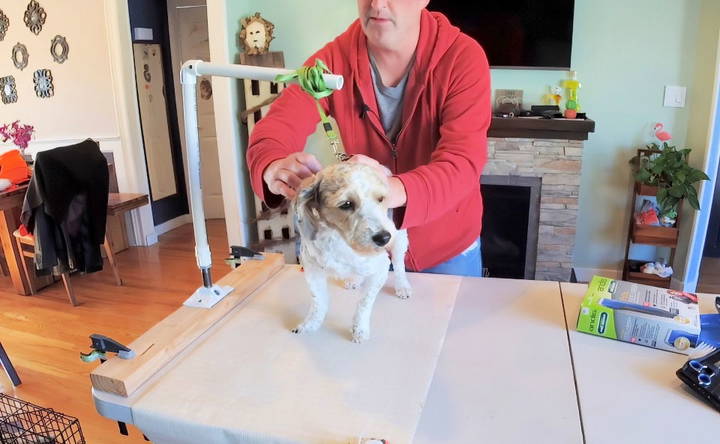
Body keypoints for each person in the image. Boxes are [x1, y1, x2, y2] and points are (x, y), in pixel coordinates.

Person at [247, 0, 491, 277]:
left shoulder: (463, 57)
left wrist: (387, 188)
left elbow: (462, 163)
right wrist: (272, 164)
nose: (376, 4)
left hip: (447, 250)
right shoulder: (331, 61)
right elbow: (277, 125)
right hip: (364, 250)